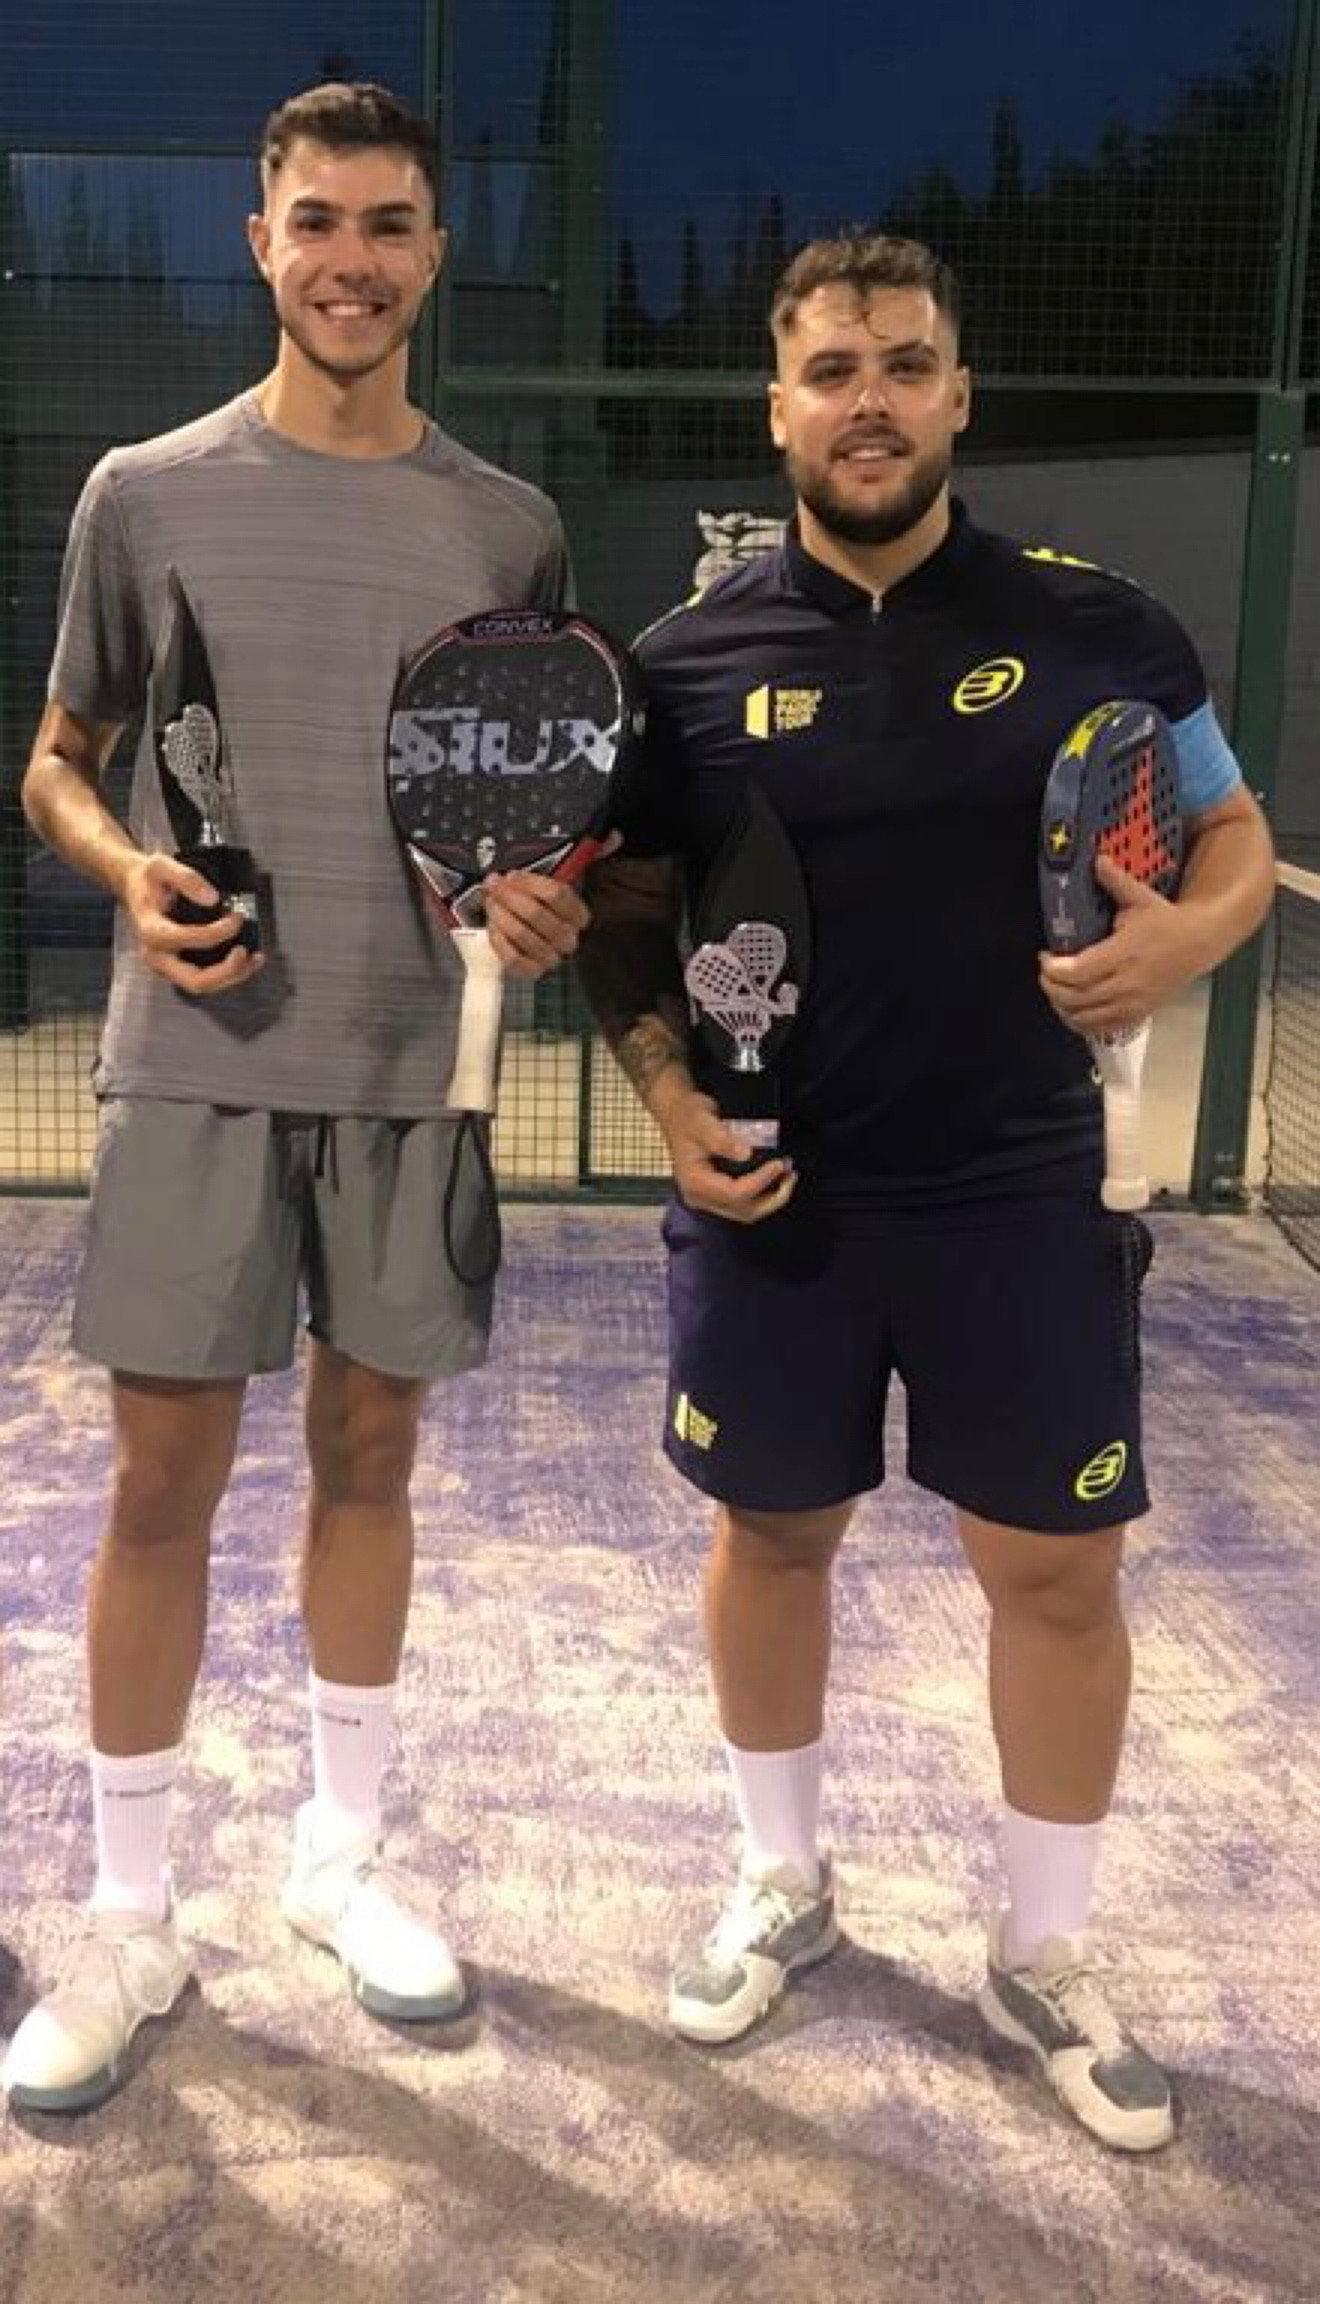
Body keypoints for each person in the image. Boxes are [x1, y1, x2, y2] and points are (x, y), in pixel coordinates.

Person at [576, 233, 1275, 2153]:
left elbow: (1231, 832)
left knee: (1056, 1576)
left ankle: (1044, 1953)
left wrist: (1187, 944)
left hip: (1018, 1199)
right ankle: (784, 1885)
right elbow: (625, 924)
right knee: (772, 1538)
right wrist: (668, 1104)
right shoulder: (683, 663)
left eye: (902, 364)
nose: (867, 400)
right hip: (775, 1199)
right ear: (778, 409)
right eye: (831, 370)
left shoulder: (1107, 628)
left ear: (960, 394)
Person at [1, 82, 592, 2115]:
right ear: (261, 242)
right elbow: (59, 757)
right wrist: (123, 872)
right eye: (318, 221)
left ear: (437, 253)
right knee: (157, 1487)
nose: (353, 260)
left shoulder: (507, 524)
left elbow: (521, 804)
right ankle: (130, 1920)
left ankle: (339, 1862)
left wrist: (538, 896)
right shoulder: (142, 494)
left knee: (370, 1464)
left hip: (416, 1070)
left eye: (391, 224)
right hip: (200, 1068)